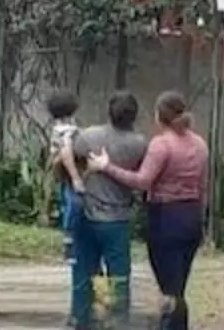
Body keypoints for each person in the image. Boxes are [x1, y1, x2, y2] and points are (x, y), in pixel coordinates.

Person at [90, 91, 208, 330]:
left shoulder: (161, 145)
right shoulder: (199, 143)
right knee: (179, 284)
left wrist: (107, 167)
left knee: (168, 287)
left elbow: (142, 181)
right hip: (192, 214)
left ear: (159, 116)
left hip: (166, 217)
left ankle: (170, 326)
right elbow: (203, 185)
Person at [69, 92, 149, 329]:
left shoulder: (89, 136)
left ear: (109, 112)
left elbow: (70, 157)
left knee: (85, 270)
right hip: (117, 219)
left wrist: (78, 181)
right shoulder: (139, 144)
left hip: (87, 215)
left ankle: (83, 319)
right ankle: (115, 321)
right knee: (118, 276)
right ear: (134, 116)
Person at [46, 90, 86, 264]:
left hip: (61, 175)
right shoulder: (69, 129)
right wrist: (76, 177)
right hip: (71, 173)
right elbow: (66, 152)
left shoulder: (56, 128)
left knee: (67, 205)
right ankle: (71, 246)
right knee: (74, 206)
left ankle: (70, 243)